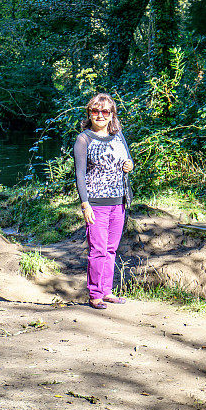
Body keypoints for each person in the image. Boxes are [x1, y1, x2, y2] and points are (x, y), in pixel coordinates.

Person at [73, 93, 134, 309]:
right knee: (97, 250)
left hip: (118, 202)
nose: (100, 115)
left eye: (105, 111)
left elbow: (128, 159)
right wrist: (85, 204)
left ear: (112, 115)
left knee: (111, 249)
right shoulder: (84, 139)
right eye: (95, 111)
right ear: (89, 114)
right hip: (96, 204)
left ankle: (107, 291)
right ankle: (95, 294)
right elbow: (80, 174)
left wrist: (129, 165)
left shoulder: (118, 136)